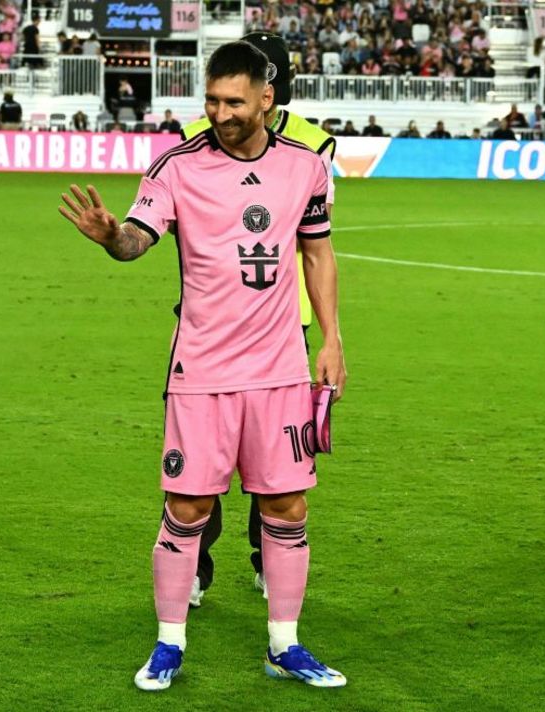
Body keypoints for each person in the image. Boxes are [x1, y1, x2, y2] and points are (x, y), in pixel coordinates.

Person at [59, 39, 347, 692]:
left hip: (279, 367)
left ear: (266, 99)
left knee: (289, 505)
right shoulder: (177, 168)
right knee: (187, 508)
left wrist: (331, 341)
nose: (220, 113)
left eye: (233, 101)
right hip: (203, 371)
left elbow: (319, 253)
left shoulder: (305, 168)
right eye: (212, 100)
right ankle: (168, 645)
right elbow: (137, 239)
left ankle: (285, 644)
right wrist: (113, 238)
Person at [180, 32, 338, 606]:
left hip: (280, 320)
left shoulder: (313, 149)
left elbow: (316, 239)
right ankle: (200, 566)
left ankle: (257, 561)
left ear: (269, 89)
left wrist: (329, 334)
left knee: (273, 466)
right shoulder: (202, 139)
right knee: (204, 459)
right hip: (213, 320)